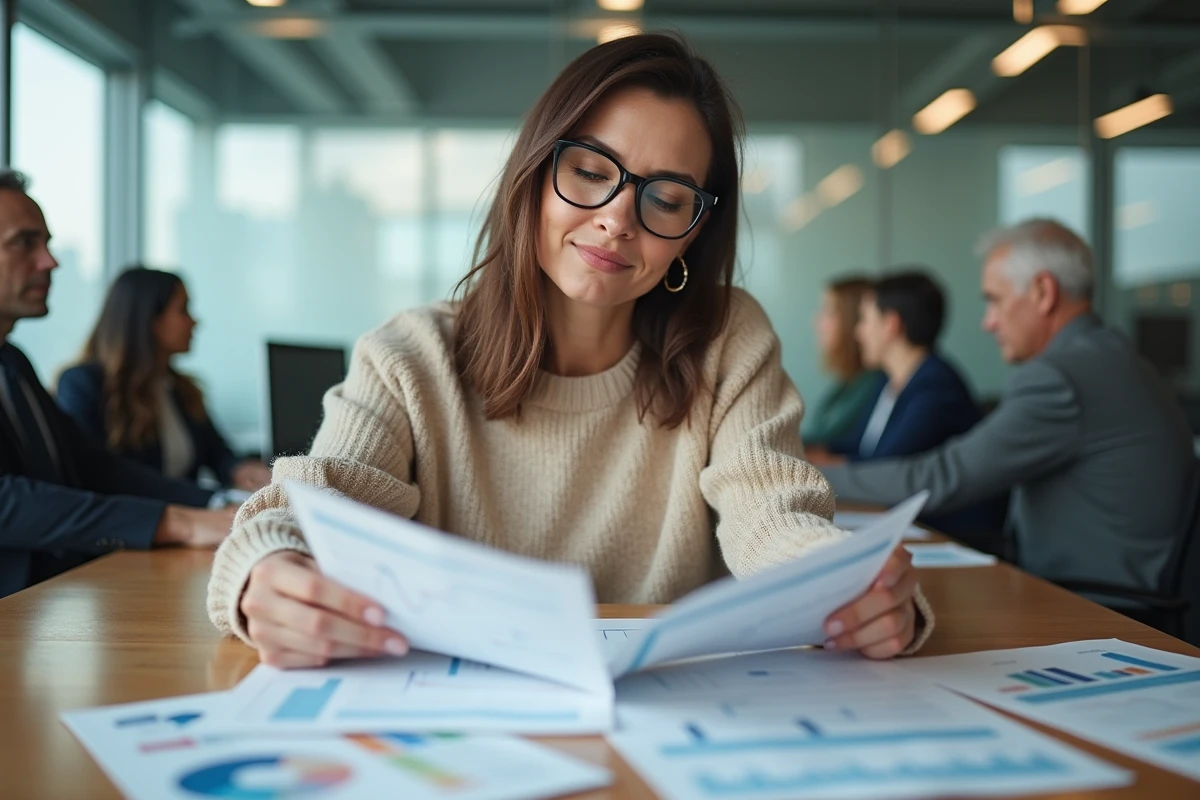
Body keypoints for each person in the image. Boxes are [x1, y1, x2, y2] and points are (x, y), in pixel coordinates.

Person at [208, 34, 934, 669]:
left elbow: (770, 513)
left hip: (672, 719)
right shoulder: (409, 355)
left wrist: (845, 582)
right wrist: (265, 571)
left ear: (693, 231)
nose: (618, 219)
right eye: (591, 172)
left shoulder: (727, 338)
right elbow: (313, 506)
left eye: (668, 197)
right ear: (533, 180)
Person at [823, 219, 1194, 593]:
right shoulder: (1113, 355)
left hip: (1094, 604)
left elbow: (941, 478)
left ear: (1043, 292)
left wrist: (808, 473)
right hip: (1105, 588)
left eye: (994, 300)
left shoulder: (1060, 377)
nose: (988, 322)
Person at [0, 170, 236, 598]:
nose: (50, 261)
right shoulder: (78, 380)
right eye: (24, 242)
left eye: (47, 243)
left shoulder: (13, 363)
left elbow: (93, 464)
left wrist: (216, 507)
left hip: (54, 597)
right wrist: (177, 522)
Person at [56, 267, 271, 492]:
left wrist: (243, 471)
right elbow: (101, 476)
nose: (194, 322)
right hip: (144, 521)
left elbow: (219, 455)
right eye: (183, 310)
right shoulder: (82, 384)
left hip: (192, 517)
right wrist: (207, 500)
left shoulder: (179, 389)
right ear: (149, 318)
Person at [822, 271, 980, 462]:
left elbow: (885, 469)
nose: (858, 332)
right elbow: (857, 446)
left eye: (864, 320)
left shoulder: (936, 387)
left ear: (891, 325)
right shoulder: (887, 381)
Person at [802, 276, 882, 448]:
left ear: (851, 320)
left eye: (827, 311)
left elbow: (828, 444)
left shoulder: (874, 384)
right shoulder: (849, 383)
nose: (816, 321)